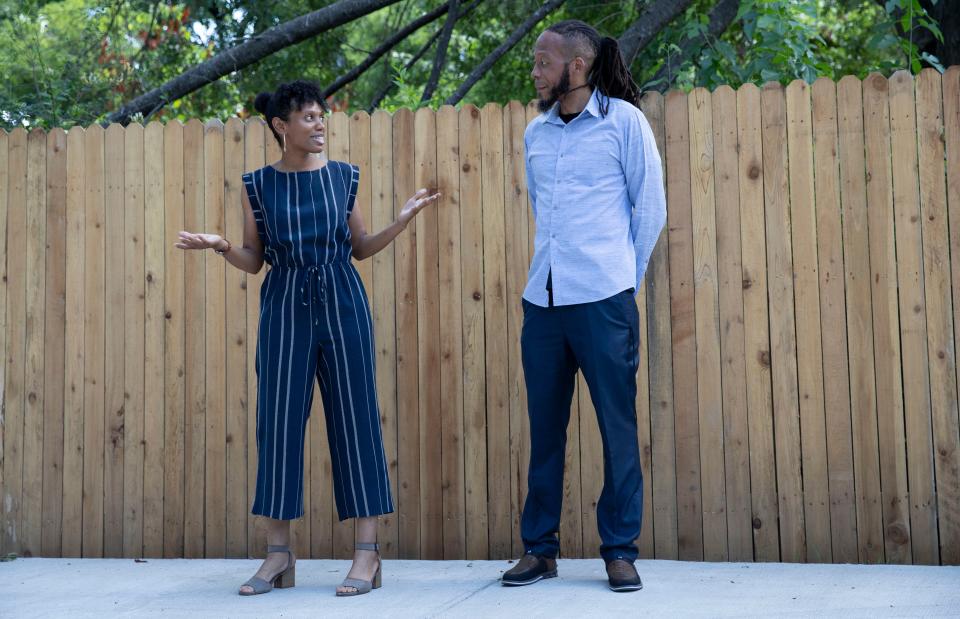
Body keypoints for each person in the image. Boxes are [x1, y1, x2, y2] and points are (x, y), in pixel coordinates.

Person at [176, 80, 439, 597]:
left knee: (356, 417)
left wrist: (401, 223)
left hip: (343, 299)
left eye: (322, 117)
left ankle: (367, 553)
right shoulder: (258, 185)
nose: (320, 124)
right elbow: (255, 260)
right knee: (277, 423)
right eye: (309, 118)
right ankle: (278, 555)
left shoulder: (344, 178)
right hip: (284, 305)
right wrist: (222, 245)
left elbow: (360, 247)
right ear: (281, 126)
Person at [500, 20, 666, 592]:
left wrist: (623, 283)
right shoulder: (535, 134)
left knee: (616, 429)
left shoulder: (625, 123)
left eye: (543, 61)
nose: (535, 70)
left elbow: (650, 210)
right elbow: (543, 213)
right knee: (544, 431)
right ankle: (539, 550)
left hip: (604, 301)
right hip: (542, 303)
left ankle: (620, 550)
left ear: (576, 66)